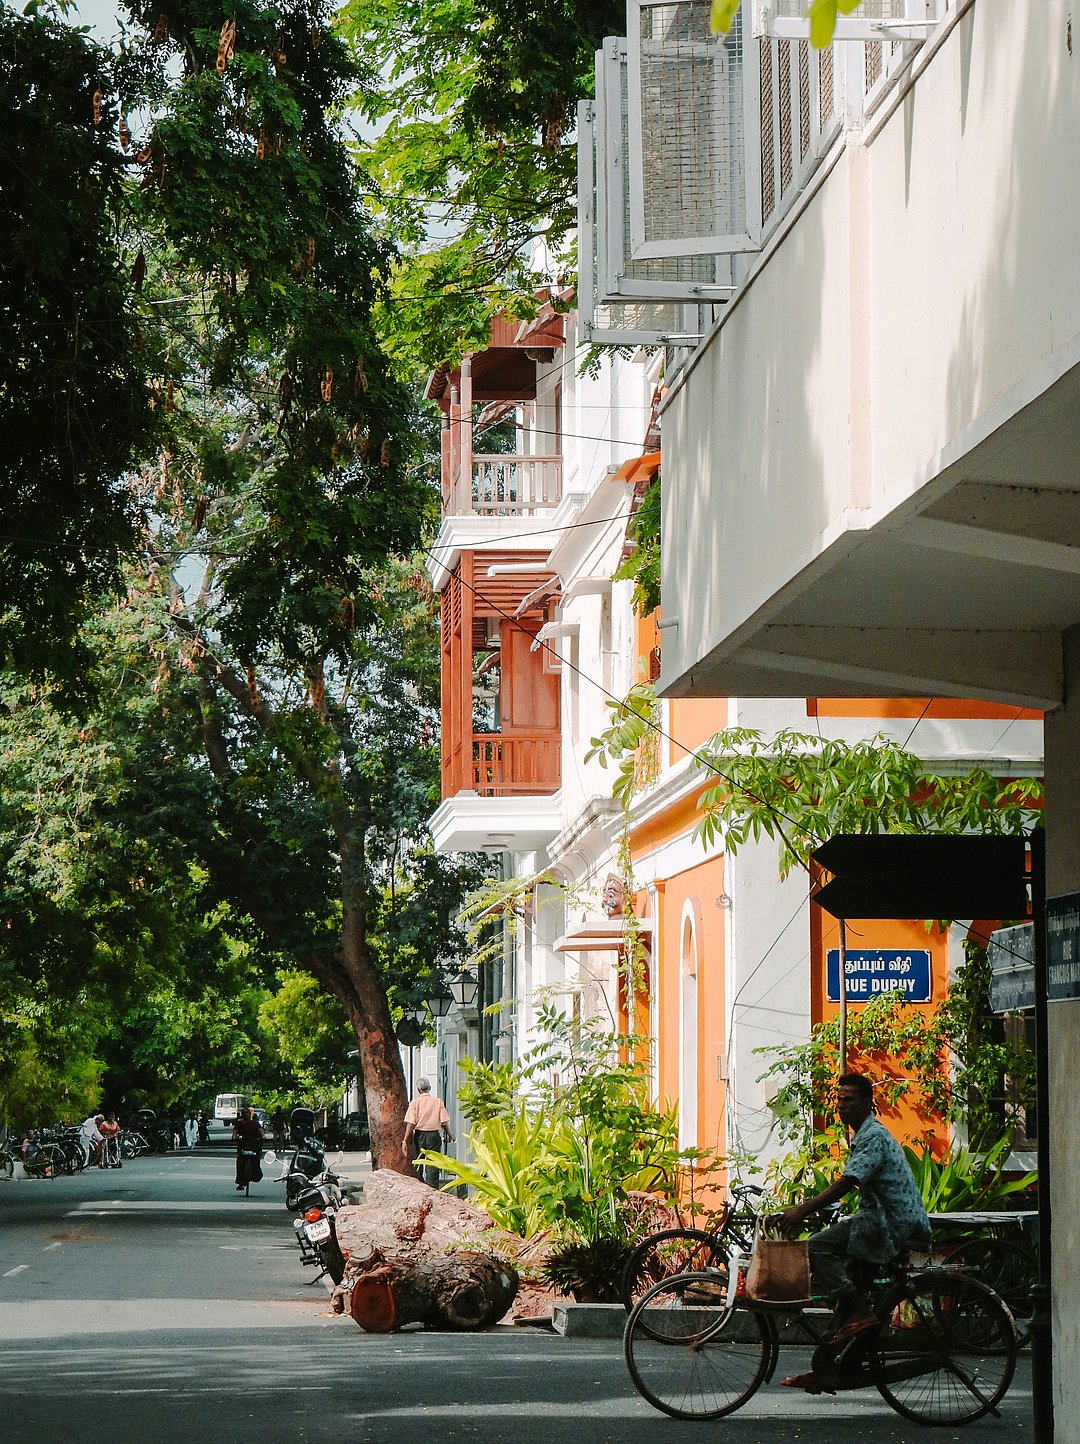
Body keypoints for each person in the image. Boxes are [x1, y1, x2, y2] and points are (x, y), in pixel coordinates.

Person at [772, 1072, 932, 1389]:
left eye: (849, 1100)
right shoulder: (864, 1133)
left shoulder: (872, 1136)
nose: (841, 1106)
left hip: (888, 1223)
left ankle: (858, 1315)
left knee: (816, 1247)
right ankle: (833, 1366)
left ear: (867, 1103)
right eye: (839, 1099)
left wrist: (800, 1210)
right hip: (879, 1220)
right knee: (853, 1288)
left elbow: (848, 1183)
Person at [401, 1078, 454, 1187]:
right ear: (429, 1088)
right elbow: (444, 1122)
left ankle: (419, 1187)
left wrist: (405, 1140)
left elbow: (411, 1123)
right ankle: (432, 1188)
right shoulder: (438, 1102)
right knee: (433, 1164)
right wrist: (450, 1135)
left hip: (419, 1135)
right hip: (434, 1136)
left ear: (418, 1089)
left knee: (418, 1163)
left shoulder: (415, 1103)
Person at [232, 1106, 264, 1191]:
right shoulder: (239, 1123)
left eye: (247, 1113)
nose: (245, 1114)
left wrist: (262, 1137)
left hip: (254, 1144)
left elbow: (260, 1131)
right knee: (240, 1162)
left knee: (256, 1160)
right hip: (243, 1144)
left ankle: (255, 1175)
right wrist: (235, 1137)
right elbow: (235, 1131)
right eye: (244, 1113)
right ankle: (240, 1182)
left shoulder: (255, 1123)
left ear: (250, 1114)